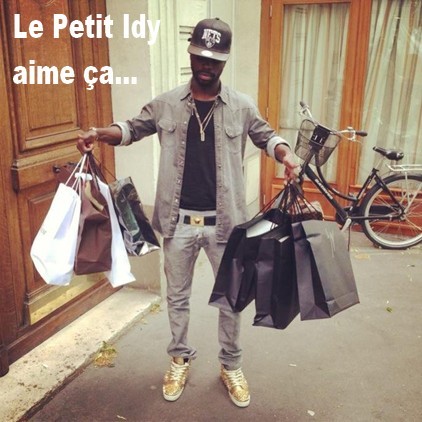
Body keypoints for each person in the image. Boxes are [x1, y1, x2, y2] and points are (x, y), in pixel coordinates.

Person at [77, 17, 298, 408]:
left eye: (214, 59)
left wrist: (286, 154)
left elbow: (267, 137)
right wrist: (99, 133)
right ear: (191, 54)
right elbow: (131, 128)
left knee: (231, 300)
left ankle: (230, 365)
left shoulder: (241, 106)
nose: (206, 65)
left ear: (224, 61)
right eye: (200, 57)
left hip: (225, 225)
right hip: (178, 223)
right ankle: (179, 358)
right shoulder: (167, 103)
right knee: (177, 298)